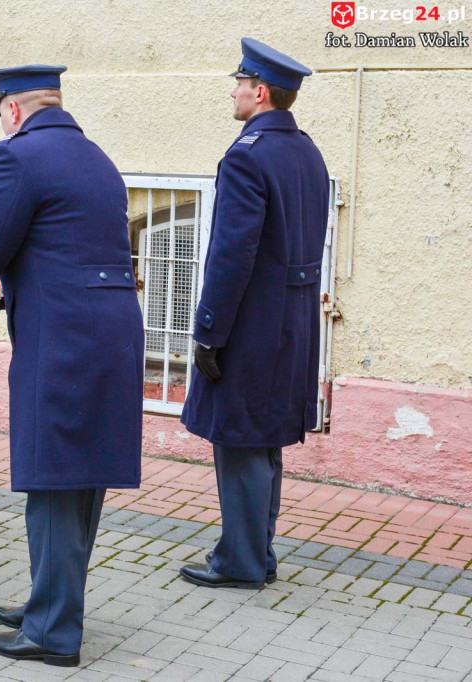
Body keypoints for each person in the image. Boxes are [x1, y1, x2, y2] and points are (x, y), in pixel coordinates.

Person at [0, 65, 144, 667]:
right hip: (110, 329)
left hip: (63, 335)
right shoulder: (95, 156)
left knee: (52, 479)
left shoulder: (15, 158)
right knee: (79, 477)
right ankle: (53, 600)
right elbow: (62, 246)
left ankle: (51, 631)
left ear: (11, 110)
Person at [178, 39, 330, 589]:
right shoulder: (306, 150)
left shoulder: (248, 154)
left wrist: (209, 332)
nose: (234, 91)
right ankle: (256, 552)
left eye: (239, 82)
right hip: (293, 322)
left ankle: (240, 562)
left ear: (260, 91)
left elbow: (230, 255)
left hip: (250, 323)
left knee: (240, 442)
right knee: (263, 441)